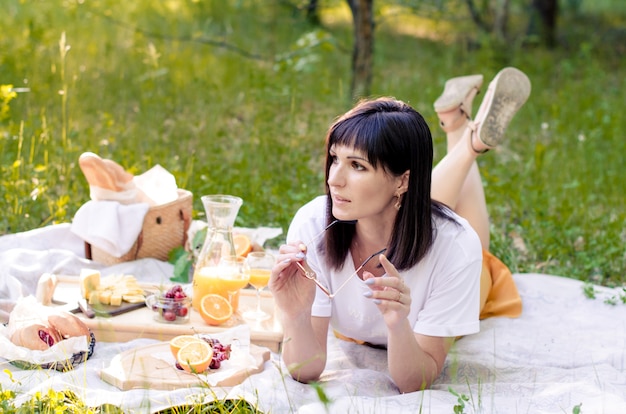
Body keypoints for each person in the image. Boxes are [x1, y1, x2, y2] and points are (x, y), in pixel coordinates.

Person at [269, 67, 530, 393]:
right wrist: (294, 314)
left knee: (471, 239)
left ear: (403, 179)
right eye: (335, 158)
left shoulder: (457, 247)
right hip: (404, 212)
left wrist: (398, 325)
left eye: (357, 165)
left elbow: (415, 380)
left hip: (457, 269)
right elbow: (306, 370)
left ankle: (466, 137)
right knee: (412, 210)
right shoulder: (313, 226)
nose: (334, 179)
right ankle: (461, 130)